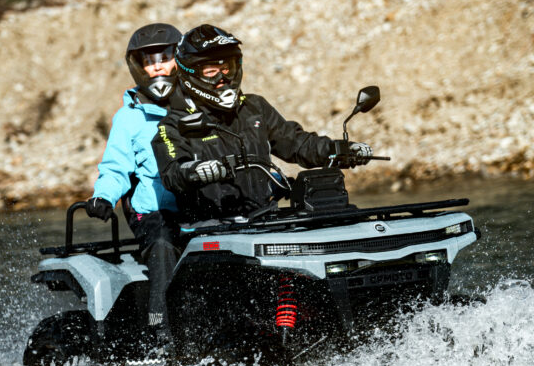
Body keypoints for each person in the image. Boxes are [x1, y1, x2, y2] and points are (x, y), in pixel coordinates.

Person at [152, 24, 372, 223]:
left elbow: (296, 143)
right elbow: (173, 173)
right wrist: (195, 171)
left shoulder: (254, 107)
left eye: (227, 68)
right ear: (190, 73)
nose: (222, 79)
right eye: (211, 72)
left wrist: (340, 150)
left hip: (263, 220)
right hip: (209, 227)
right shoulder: (172, 124)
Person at [85, 22, 183, 346]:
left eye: (164, 57)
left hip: (199, 205)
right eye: (149, 61)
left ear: (179, 58)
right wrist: (103, 197)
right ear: (139, 67)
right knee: (163, 243)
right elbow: (116, 166)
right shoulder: (129, 117)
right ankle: (160, 330)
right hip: (152, 212)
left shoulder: (195, 106)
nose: (158, 66)